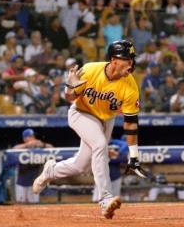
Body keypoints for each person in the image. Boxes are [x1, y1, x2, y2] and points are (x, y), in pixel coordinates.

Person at [33, 40, 147, 219]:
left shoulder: (130, 86)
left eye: (132, 59)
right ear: (114, 60)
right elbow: (70, 97)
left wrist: (133, 155)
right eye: (127, 59)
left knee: (81, 165)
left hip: (106, 120)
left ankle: (51, 172)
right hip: (81, 113)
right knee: (100, 145)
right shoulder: (91, 70)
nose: (131, 63)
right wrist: (71, 86)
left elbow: (131, 123)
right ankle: (105, 198)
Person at [13, 129, 53, 203]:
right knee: (20, 203)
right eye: (30, 136)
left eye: (33, 136)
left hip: (34, 182)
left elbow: (52, 148)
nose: (32, 138)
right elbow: (13, 149)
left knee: (34, 204)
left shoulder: (38, 147)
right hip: (21, 182)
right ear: (24, 139)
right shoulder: (21, 148)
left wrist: (43, 144)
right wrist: (26, 145)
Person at [92, 137, 128, 202]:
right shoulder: (97, 143)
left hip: (115, 177)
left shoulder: (115, 143)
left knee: (114, 201)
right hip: (101, 178)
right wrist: (107, 154)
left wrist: (118, 153)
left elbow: (125, 146)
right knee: (97, 200)